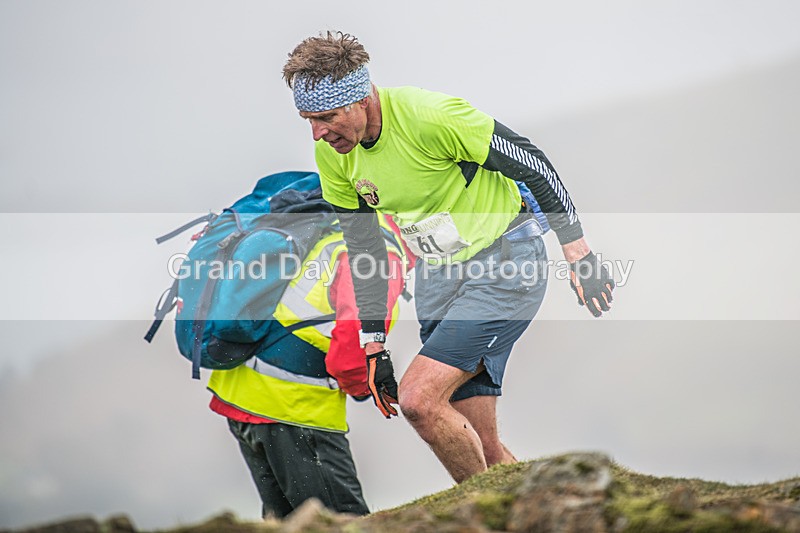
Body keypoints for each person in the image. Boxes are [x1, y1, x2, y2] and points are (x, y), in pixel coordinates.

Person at [282, 31, 616, 483]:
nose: (318, 133)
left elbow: (533, 165)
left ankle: (474, 513)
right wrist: (374, 343)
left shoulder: (430, 117)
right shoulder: (333, 155)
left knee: (419, 399)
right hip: (439, 278)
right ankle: (524, 511)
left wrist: (578, 252)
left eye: (325, 117)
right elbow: (365, 249)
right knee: (487, 449)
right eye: (308, 119)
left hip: (504, 263)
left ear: (360, 99)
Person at [206, 207, 413, 518]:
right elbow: (353, 341)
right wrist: (363, 385)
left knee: (285, 521)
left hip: (242, 390)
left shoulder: (351, 223)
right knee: (339, 521)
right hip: (294, 407)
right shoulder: (380, 256)